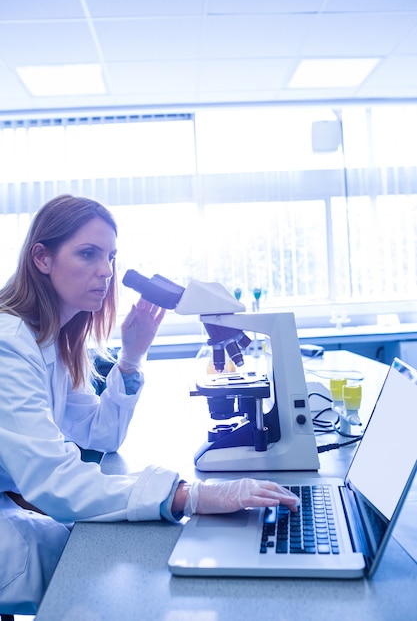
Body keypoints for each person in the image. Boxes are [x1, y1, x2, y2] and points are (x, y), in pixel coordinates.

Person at [0, 194, 299, 614]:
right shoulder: (9, 345)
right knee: (100, 571)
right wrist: (191, 496)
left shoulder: (52, 338)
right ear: (42, 258)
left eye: (110, 257)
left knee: (119, 553)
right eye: (88, 254)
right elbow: (55, 481)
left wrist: (132, 356)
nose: (106, 271)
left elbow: (100, 434)